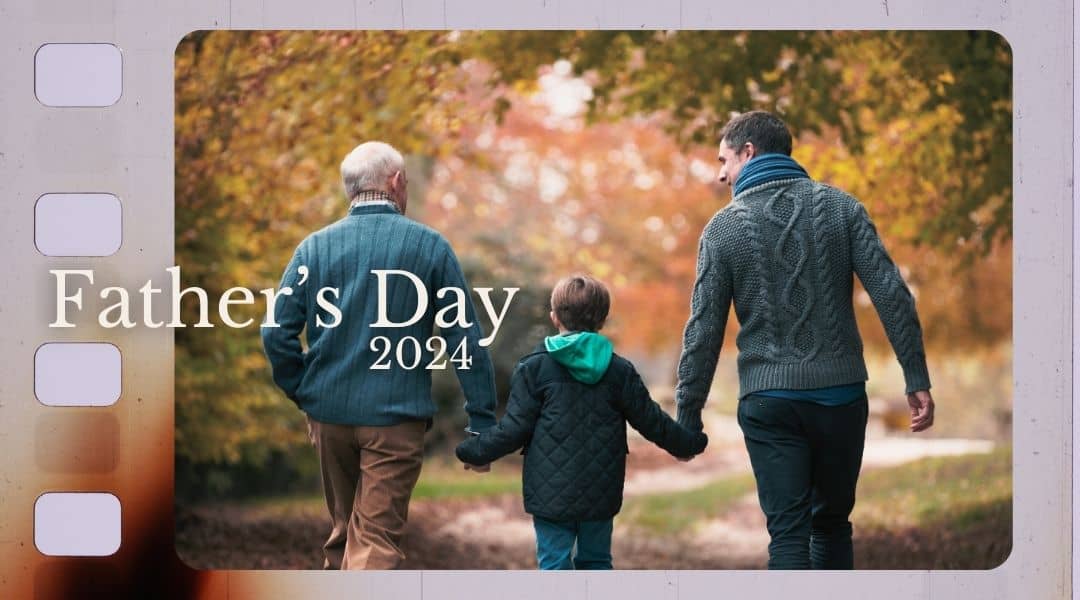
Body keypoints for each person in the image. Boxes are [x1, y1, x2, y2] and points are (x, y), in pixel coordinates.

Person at [674, 110, 936, 570]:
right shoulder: (842, 208)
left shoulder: (723, 228)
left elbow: (703, 330)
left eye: (724, 159)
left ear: (748, 152)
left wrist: (688, 414)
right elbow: (892, 294)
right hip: (840, 397)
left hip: (770, 401)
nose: (720, 173)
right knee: (832, 525)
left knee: (788, 535)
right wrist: (914, 375)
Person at [262, 141, 497, 570]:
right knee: (374, 542)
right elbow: (463, 335)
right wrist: (481, 421)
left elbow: (276, 334)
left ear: (350, 189)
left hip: (328, 415)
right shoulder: (429, 247)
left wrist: (306, 392)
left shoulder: (312, 249)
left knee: (344, 536)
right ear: (397, 182)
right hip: (395, 417)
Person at [456, 274, 708, 570]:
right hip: (600, 489)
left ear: (554, 317)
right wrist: (686, 443)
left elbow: (513, 429)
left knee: (554, 562)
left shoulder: (535, 368)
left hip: (550, 492)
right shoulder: (619, 371)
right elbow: (651, 421)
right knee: (596, 562)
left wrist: (473, 451)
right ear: (602, 320)